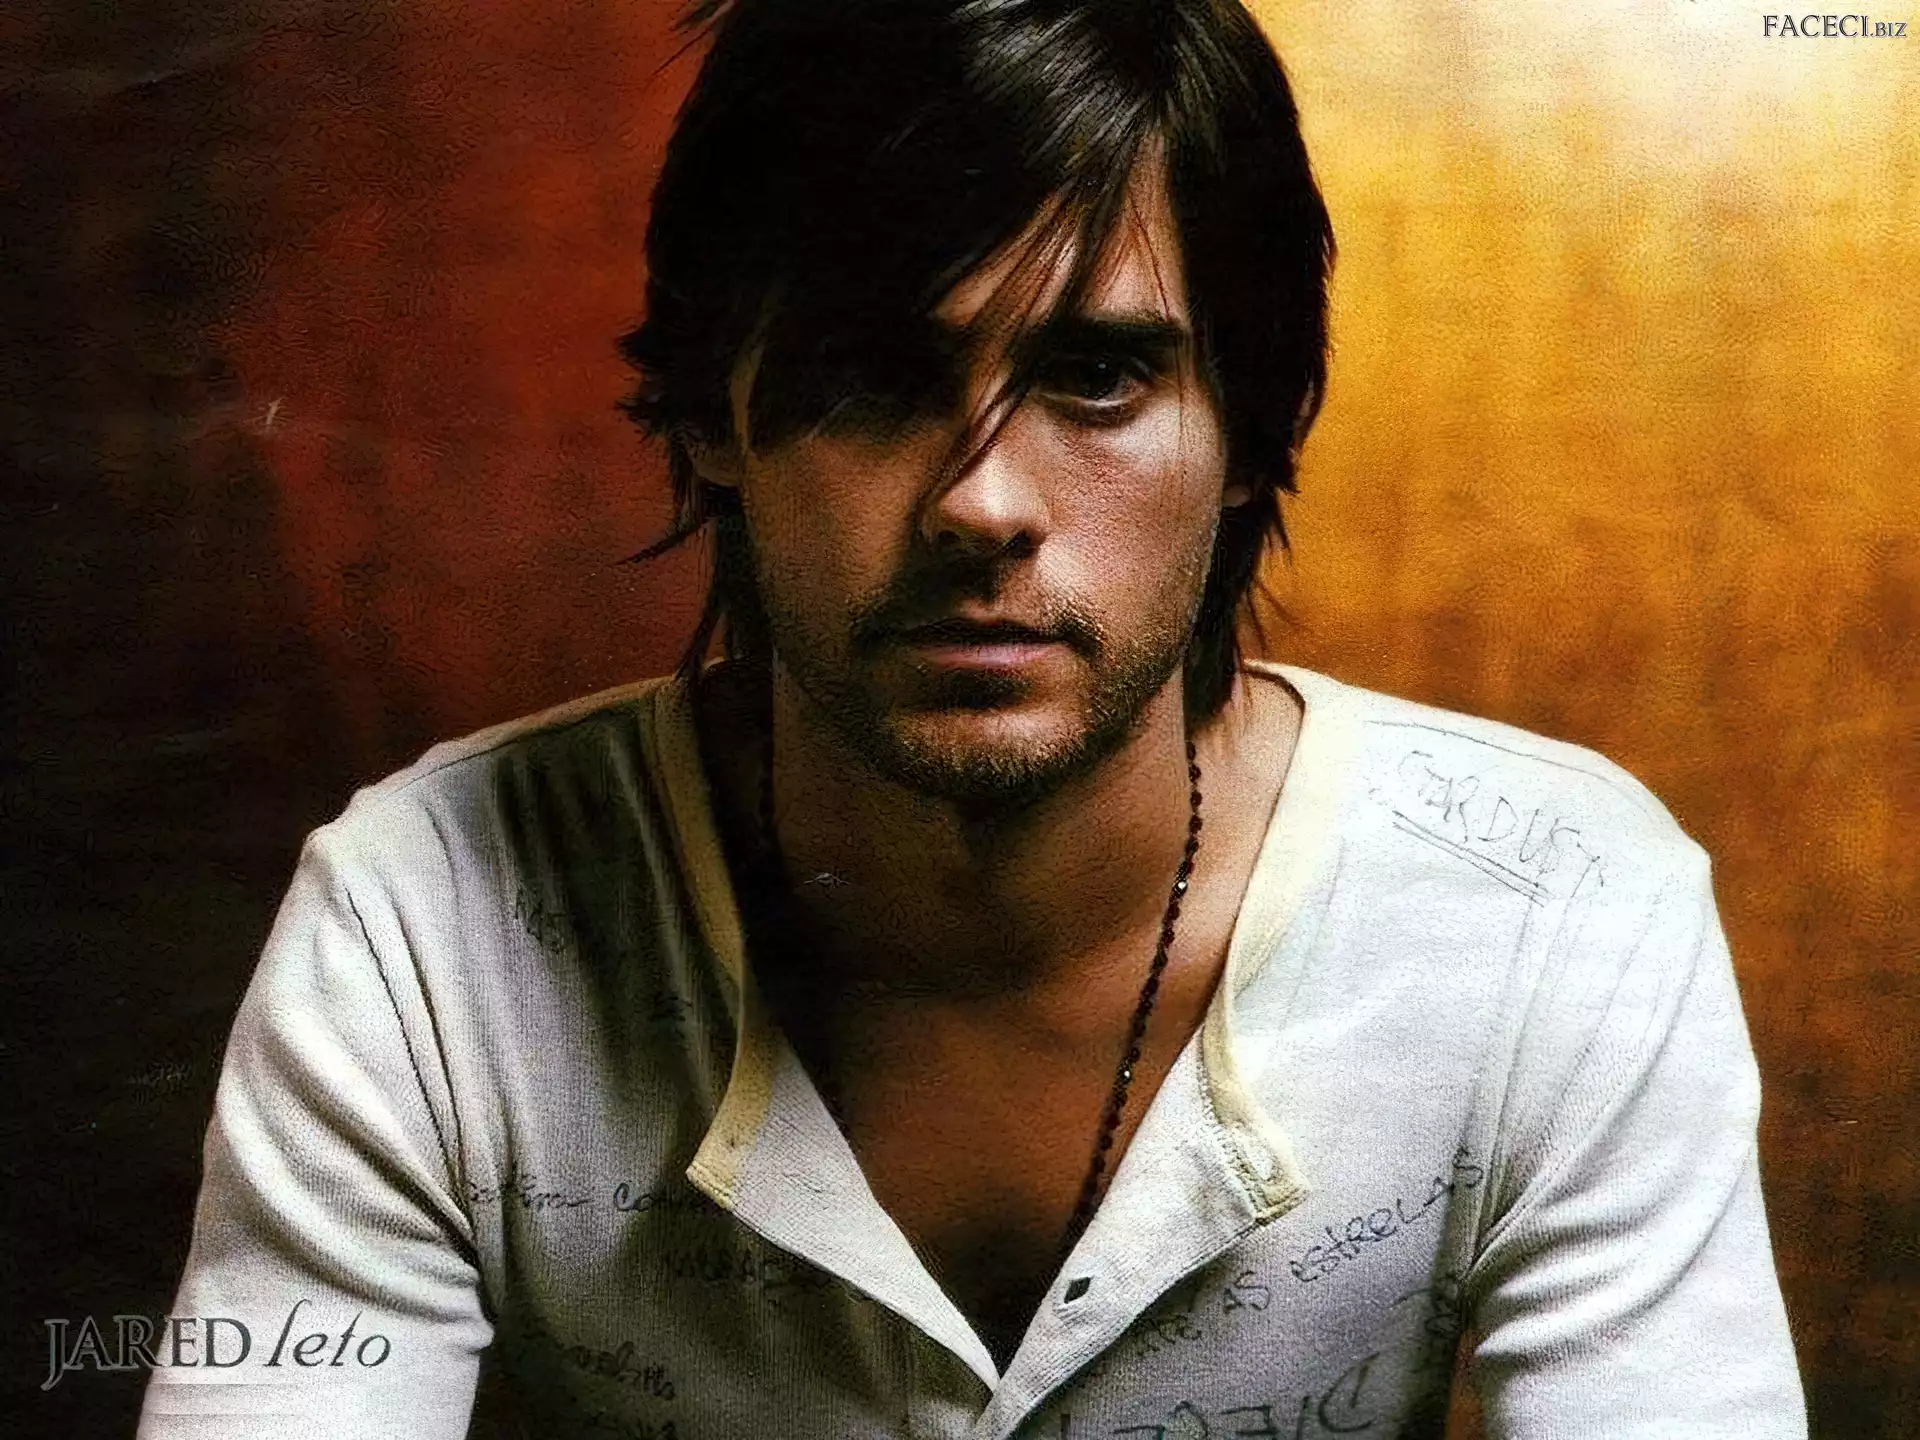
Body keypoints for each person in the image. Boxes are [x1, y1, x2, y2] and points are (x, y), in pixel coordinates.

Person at [141, 0, 1807, 1435]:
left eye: (1097, 376)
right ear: (715, 413)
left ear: (1252, 427)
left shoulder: (1554, 918)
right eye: (875, 375)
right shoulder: (420, 930)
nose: (982, 504)